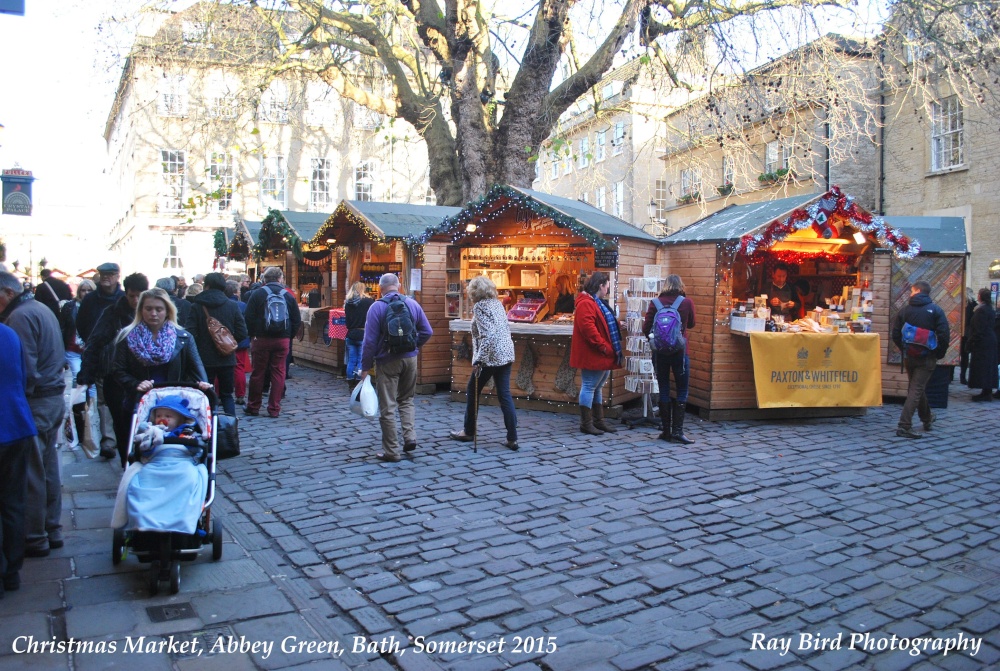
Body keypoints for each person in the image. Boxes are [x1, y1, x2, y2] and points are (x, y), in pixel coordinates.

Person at [0, 271, 67, 558]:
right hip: (51, 398)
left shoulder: (20, 316)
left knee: (33, 471)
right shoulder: (38, 308)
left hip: (38, 400)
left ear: (8, 293)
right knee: (47, 466)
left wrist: (19, 403)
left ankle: (36, 536)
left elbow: (25, 368)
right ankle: (51, 529)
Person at [359, 273, 433, 462]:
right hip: (410, 359)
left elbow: (369, 341)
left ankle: (392, 451)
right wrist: (414, 346)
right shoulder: (412, 304)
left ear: (380, 288)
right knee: (407, 399)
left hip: (387, 361)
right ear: (398, 286)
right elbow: (427, 331)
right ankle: (410, 437)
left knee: (388, 406)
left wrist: (365, 367)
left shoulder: (376, 307)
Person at [78, 273, 150, 465]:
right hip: (116, 377)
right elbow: (95, 343)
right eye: (132, 295)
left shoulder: (151, 312)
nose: (136, 300)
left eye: (139, 295)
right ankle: (127, 462)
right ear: (126, 294)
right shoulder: (113, 313)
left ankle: (142, 460)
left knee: (145, 421)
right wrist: (86, 375)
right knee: (122, 422)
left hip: (146, 377)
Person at [448, 276, 518, 450]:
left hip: (491, 356)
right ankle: (512, 437)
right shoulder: (497, 304)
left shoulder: (480, 307)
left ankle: (468, 430)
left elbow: (488, 335)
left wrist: (479, 359)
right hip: (506, 353)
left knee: (473, 390)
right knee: (504, 395)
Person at [0, 322, 38, 596]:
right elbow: (24, 377)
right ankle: (11, 571)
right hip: (16, 424)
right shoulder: (8, 333)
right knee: (13, 502)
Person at [891, 280, 950, 439]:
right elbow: (944, 335)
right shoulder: (936, 310)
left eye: (912, 291)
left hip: (910, 356)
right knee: (916, 389)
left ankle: (927, 418)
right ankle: (904, 425)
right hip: (927, 357)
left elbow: (895, 334)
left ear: (917, 291)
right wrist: (938, 353)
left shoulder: (905, 310)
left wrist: (904, 348)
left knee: (916, 388)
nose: (910, 294)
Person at [643, 274, 696, 444]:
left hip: (660, 354)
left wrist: (660, 339)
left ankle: (666, 432)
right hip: (680, 353)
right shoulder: (686, 303)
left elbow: (646, 328)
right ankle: (678, 432)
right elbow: (691, 324)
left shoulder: (655, 303)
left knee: (664, 389)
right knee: (682, 390)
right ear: (681, 286)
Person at [186, 273, 248, 415]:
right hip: (226, 357)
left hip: (203, 358)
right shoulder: (232, 305)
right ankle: (230, 423)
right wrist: (228, 343)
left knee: (205, 393)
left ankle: (208, 423)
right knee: (227, 395)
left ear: (206, 285)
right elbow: (242, 332)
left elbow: (190, 333)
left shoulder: (197, 306)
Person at [243, 267, 301, 418]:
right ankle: (274, 408)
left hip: (261, 339)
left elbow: (248, 317)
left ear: (264, 279)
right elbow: (296, 320)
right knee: (279, 372)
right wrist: (288, 336)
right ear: (280, 278)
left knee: (258, 372)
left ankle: (253, 406)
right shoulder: (288, 295)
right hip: (282, 339)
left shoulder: (257, 294)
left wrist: (253, 335)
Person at [570, 271, 623, 435]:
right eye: (607, 286)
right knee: (589, 386)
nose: (608, 289)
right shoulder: (587, 303)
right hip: (593, 352)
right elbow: (589, 330)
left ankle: (598, 421)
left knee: (597, 387)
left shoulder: (594, 302)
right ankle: (586, 423)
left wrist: (617, 325)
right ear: (601, 286)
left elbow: (601, 323)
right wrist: (604, 347)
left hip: (598, 351)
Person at [76, 262, 123, 344]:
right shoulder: (89, 298)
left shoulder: (124, 298)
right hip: (94, 347)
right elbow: (80, 323)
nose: (105, 276)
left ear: (118, 277)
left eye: (109, 274)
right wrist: (90, 342)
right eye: (102, 274)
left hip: (117, 347)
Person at [61, 279, 96, 389]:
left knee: (92, 382)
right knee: (78, 378)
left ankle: (90, 400)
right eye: (83, 290)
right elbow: (63, 328)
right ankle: (79, 400)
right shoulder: (70, 307)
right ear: (79, 291)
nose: (86, 293)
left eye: (89, 290)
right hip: (73, 349)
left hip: (91, 350)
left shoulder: (97, 307)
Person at [966, 287, 998, 402]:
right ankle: (986, 391)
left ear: (980, 296)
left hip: (983, 342)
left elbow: (979, 329)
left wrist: (971, 342)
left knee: (984, 367)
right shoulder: (989, 309)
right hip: (988, 340)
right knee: (987, 367)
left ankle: (986, 392)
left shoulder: (982, 310)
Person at [225, 280, 251, 405]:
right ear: (236, 291)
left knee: (221, 367)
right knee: (239, 367)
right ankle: (240, 395)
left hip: (223, 340)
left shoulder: (221, 304)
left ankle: (219, 394)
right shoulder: (242, 305)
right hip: (239, 341)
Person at [344, 282, 375, 386]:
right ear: (363, 289)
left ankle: (350, 380)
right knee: (361, 360)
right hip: (363, 334)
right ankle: (359, 381)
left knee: (352, 359)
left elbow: (347, 321)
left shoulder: (348, 303)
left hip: (351, 334)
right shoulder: (369, 301)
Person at [959, 287, 976, 385]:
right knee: (964, 355)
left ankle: (950, 376)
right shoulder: (973, 305)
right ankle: (962, 377)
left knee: (955, 354)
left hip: (959, 332)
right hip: (967, 333)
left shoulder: (959, 304)